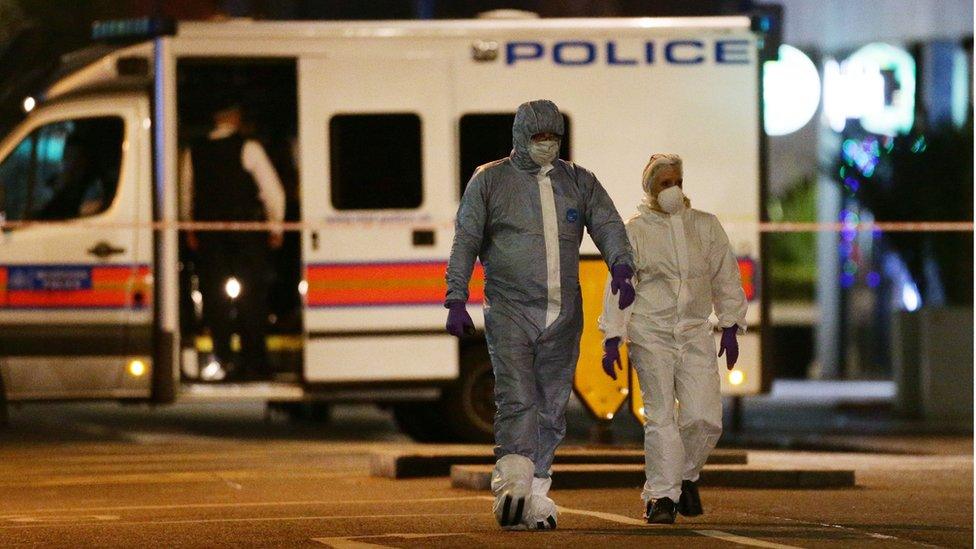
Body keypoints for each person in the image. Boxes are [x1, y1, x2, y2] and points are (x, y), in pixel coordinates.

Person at [445, 99, 636, 531]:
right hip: (510, 309)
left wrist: (621, 264)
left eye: (553, 137)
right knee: (517, 399)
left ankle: (534, 497)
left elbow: (608, 224)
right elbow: (466, 239)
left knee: (551, 407)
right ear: (521, 136)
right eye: (538, 136)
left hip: (563, 314)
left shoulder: (578, 181)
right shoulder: (490, 181)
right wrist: (456, 296)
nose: (546, 144)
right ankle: (512, 488)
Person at [599, 153, 747, 524]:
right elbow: (619, 285)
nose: (674, 190)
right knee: (661, 416)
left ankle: (685, 475)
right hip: (651, 332)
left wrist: (730, 324)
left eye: (678, 181)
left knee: (704, 418)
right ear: (650, 188)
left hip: (694, 331)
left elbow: (725, 276)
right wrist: (613, 335)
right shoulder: (635, 231)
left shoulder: (705, 226)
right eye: (665, 183)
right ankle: (661, 497)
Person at [180, 100, 285, 382]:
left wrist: (190, 228)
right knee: (252, 298)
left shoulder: (194, 152)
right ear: (235, 117)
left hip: (209, 234)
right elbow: (272, 191)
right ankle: (255, 361)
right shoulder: (249, 148)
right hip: (246, 233)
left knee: (215, 299)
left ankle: (224, 358)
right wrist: (275, 227)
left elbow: (186, 193)